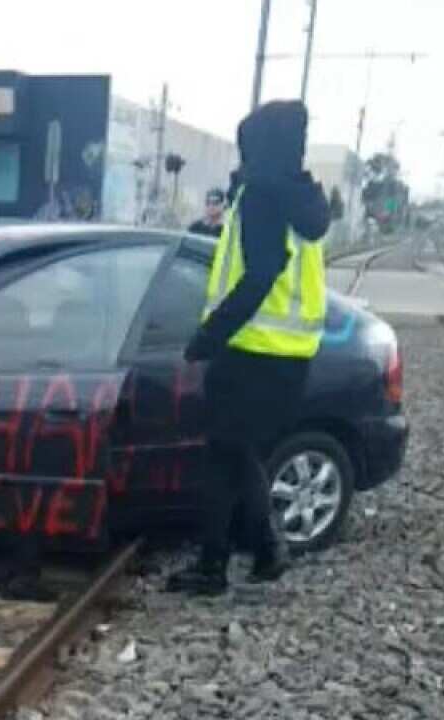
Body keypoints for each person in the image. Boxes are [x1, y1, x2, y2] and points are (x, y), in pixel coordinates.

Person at [166, 100, 330, 597]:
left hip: (250, 352)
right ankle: (250, 553)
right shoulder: (302, 199)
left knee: (227, 455)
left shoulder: (263, 195)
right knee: (235, 455)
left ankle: (233, 559)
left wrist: (207, 338)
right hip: (290, 356)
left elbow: (260, 274)